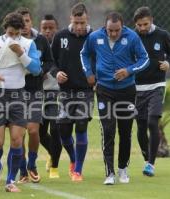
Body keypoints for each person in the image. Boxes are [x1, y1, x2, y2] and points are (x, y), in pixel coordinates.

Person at [0, 12, 41, 192]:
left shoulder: (27, 44)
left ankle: (10, 180)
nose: (13, 37)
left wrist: (21, 53)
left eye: (17, 33)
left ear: (22, 31)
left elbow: (36, 69)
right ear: (5, 30)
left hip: (18, 95)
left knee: (17, 140)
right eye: (10, 33)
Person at [81, 12, 149, 185]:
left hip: (126, 90)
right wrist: (89, 72)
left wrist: (129, 70)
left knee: (125, 132)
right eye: (110, 30)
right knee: (108, 130)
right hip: (104, 89)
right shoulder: (95, 37)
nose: (113, 34)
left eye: (117, 30)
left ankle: (122, 169)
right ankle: (109, 173)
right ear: (105, 27)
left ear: (122, 26)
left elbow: (145, 59)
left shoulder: (132, 37)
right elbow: (84, 54)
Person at [51, 3, 94, 182]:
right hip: (66, 92)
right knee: (64, 130)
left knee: (82, 125)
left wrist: (95, 77)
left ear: (87, 19)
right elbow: (50, 61)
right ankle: (73, 159)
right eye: (76, 22)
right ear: (71, 19)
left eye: (82, 22)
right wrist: (56, 73)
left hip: (86, 90)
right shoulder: (60, 36)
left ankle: (78, 170)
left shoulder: (95, 37)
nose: (79, 27)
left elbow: (103, 60)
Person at [16, 7, 54, 183]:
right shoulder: (11, 42)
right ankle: (23, 170)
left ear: (31, 21)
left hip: (35, 91)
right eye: (21, 22)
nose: (24, 25)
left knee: (33, 130)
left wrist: (40, 71)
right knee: (19, 133)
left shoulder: (40, 40)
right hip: (16, 92)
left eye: (27, 21)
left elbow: (49, 61)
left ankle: (32, 163)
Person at [133, 6, 170, 177]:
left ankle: (151, 164)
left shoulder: (162, 35)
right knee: (140, 126)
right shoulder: (131, 36)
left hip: (157, 86)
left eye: (145, 24)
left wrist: (168, 64)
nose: (142, 28)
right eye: (139, 25)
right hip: (136, 88)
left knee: (152, 123)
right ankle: (148, 157)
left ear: (152, 20)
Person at [39, 14, 63, 178]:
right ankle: (52, 153)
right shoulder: (36, 45)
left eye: (51, 28)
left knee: (55, 129)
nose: (48, 31)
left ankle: (54, 166)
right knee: (39, 133)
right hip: (38, 92)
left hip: (57, 92)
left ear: (56, 29)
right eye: (44, 28)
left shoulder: (62, 45)